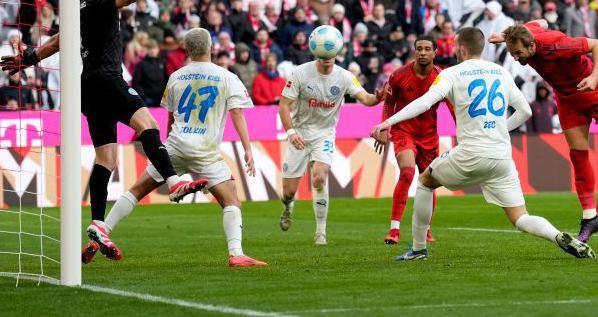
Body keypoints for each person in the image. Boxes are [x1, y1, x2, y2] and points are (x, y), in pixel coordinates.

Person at [0, 0, 206, 263]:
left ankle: (98, 223)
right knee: (147, 122)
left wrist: (30, 57)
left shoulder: (73, 9)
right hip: (109, 79)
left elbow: (58, 41)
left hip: (87, 88)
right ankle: (175, 184)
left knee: (106, 158)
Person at [370, 28, 595, 261]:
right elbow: (525, 111)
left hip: (471, 153)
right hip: (501, 158)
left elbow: (425, 103)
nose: (455, 50)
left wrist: (388, 121)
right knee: (521, 217)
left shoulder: (452, 73)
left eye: (456, 46)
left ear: (462, 48)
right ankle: (558, 235)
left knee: (425, 182)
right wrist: (500, 129)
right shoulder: (501, 72)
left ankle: (418, 250)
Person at [95, 29, 266, 267]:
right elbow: (236, 112)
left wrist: (164, 150)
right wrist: (247, 149)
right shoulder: (227, 76)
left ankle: (102, 231)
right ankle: (236, 253)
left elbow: (171, 117)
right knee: (231, 201)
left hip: (174, 146)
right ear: (211, 48)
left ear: (187, 50)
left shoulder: (176, 76)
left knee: (135, 191)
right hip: (205, 151)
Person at [488, 21, 598, 242]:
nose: (516, 58)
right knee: (578, 155)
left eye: (518, 52)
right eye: (512, 53)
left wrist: (595, 75)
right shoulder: (526, 35)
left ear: (531, 46)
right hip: (567, 98)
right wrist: (505, 35)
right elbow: (541, 22)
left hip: (592, 87)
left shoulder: (555, 45)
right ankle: (590, 218)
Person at [277, 39, 383, 245]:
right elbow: (283, 106)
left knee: (319, 177)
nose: (327, 59)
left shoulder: (344, 77)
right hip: (298, 133)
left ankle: (320, 233)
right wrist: (290, 132)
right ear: (316, 52)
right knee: (288, 191)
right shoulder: (300, 73)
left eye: (330, 54)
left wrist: (379, 98)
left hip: (324, 134)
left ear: (336, 52)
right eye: (323, 55)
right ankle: (288, 207)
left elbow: (367, 99)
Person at [375, 36, 454, 244]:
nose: (422, 52)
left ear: (435, 53)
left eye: (427, 49)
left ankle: (426, 230)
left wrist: (463, 131)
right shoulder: (399, 75)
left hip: (429, 134)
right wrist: (384, 127)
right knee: (408, 171)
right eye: (419, 48)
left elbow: (453, 106)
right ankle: (394, 230)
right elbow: (387, 104)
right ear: (414, 51)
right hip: (404, 132)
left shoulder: (442, 77)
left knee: (430, 182)